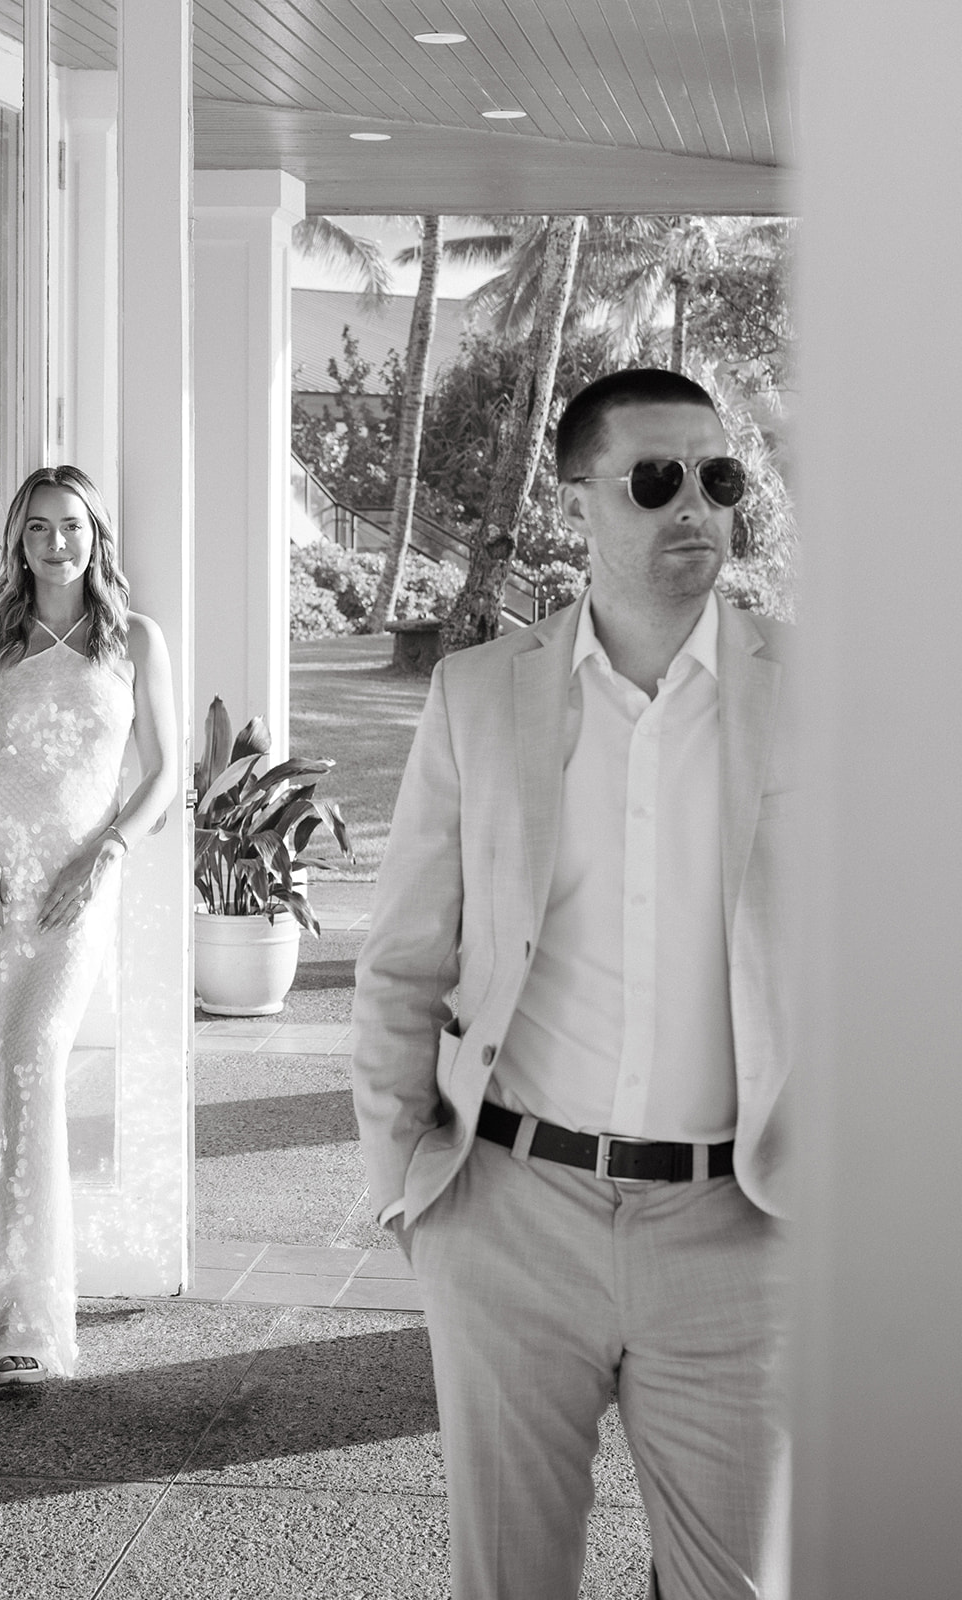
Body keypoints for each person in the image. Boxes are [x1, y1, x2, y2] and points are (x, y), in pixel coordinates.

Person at [351, 369, 796, 1599]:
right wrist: (408, 1193)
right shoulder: (478, 694)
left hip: (738, 1223)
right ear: (573, 502)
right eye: (654, 479)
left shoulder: (819, 693)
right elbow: (404, 957)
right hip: (510, 1210)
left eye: (716, 477)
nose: (693, 505)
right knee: (508, 1578)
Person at [0, 465, 177, 1386]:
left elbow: (163, 773)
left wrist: (107, 854)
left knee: (32, 1061)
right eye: (37, 529)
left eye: (72, 526)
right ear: (17, 541)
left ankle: (29, 1318)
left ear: (97, 535)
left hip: (74, 888)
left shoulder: (135, 639)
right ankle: (7, 1286)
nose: (56, 544)